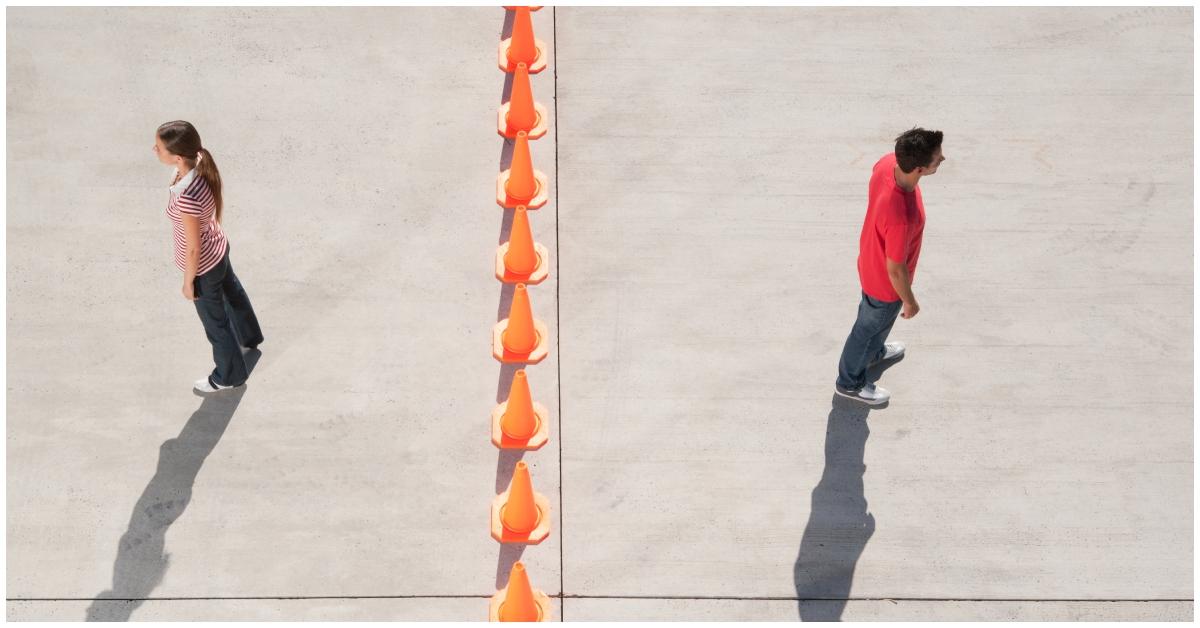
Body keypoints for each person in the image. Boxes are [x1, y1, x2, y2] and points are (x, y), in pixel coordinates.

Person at [834, 127, 944, 405]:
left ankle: (873, 354)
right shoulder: (900, 215)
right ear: (919, 168)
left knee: (876, 324)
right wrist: (910, 301)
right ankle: (849, 382)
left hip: (869, 261)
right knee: (866, 328)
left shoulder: (887, 164)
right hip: (886, 285)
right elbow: (896, 269)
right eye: (937, 158)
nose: (942, 159)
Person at [154, 120, 264, 393]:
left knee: (216, 325)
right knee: (234, 293)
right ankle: (250, 336)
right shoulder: (199, 161)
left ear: (177, 157)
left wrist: (189, 282)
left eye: (158, 148)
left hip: (203, 266)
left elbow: (193, 249)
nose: (154, 150)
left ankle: (228, 376)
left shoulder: (187, 198)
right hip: (219, 247)